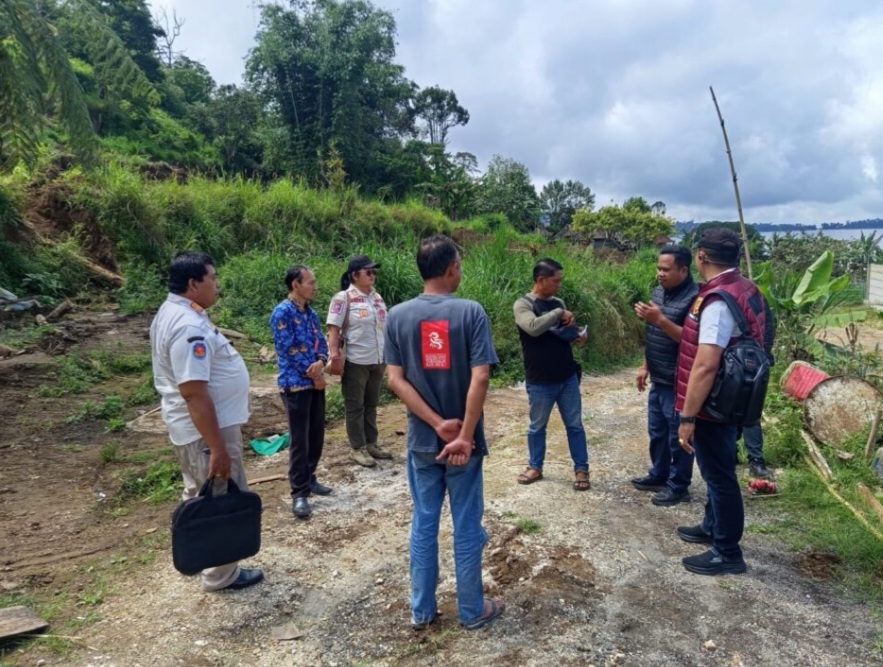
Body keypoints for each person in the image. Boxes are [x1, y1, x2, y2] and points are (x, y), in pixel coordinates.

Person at [384, 234, 505, 631]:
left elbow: (394, 380)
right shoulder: (471, 312)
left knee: (424, 521)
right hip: (463, 446)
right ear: (452, 267)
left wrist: (435, 424)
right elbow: (481, 375)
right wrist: (464, 435)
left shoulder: (398, 315)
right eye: (460, 264)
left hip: (422, 443)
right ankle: (472, 610)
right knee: (467, 523)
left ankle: (422, 610)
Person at [150, 250, 263, 591]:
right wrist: (216, 447)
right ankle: (221, 574)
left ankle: (202, 557)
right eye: (212, 278)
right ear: (193, 283)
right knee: (221, 496)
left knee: (200, 493)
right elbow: (194, 392)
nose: (217, 285)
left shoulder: (175, 313)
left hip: (196, 429)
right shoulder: (187, 326)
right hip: (205, 432)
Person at [675, 228, 769, 575]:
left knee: (719, 477)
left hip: (715, 403)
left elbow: (706, 362)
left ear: (701, 256)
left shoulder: (717, 301)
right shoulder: (748, 288)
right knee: (719, 470)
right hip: (735, 397)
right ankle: (712, 526)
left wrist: (688, 416)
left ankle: (727, 551)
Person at [513, 258, 590, 491]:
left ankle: (581, 469)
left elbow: (563, 331)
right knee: (537, 426)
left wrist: (577, 334)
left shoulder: (558, 302)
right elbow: (534, 328)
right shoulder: (523, 305)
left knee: (575, 425)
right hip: (539, 379)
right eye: (555, 281)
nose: (559, 285)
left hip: (566, 376)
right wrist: (559, 313)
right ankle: (535, 466)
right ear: (540, 280)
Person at [632, 245, 699, 506]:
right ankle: (659, 474)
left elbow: (692, 340)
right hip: (659, 377)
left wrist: (659, 319)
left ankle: (679, 485)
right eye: (658, 268)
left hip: (679, 381)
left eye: (666, 269)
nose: (660, 274)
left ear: (683, 270)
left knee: (677, 436)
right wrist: (645, 366)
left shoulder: (696, 298)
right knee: (657, 432)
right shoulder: (658, 293)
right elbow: (654, 335)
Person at [270, 265, 330, 520]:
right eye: (311, 282)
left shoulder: (310, 313)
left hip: (314, 382)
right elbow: (288, 349)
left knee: (316, 435)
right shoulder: (282, 313)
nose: (315, 286)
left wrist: (322, 360)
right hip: (296, 384)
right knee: (299, 440)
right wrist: (315, 373)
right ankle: (299, 493)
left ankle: (310, 477)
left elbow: (322, 342)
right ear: (296, 284)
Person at [326, 255, 391, 467]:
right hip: (356, 360)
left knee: (371, 403)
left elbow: (384, 328)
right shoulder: (343, 298)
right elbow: (333, 330)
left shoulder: (377, 298)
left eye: (374, 272)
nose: (372, 275)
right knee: (355, 405)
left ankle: (371, 443)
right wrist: (334, 356)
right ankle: (358, 447)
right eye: (368, 272)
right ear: (354, 275)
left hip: (378, 358)